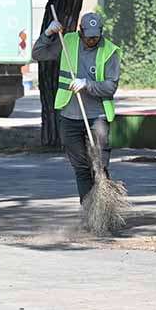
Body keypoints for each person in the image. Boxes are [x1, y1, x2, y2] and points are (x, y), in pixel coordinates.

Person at [31, 12, 121, 202]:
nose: (92, 40)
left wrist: (87, 84)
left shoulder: (110, 51)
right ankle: (88, 210)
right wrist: (48, 34)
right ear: (80, 32)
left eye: (95, 36)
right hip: (70, 116)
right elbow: (37, 54)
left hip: (97, 117)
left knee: (99, 166)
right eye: (88, 36)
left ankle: (106, 207)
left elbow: (110, 86)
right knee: (81, 168)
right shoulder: (67, 42)